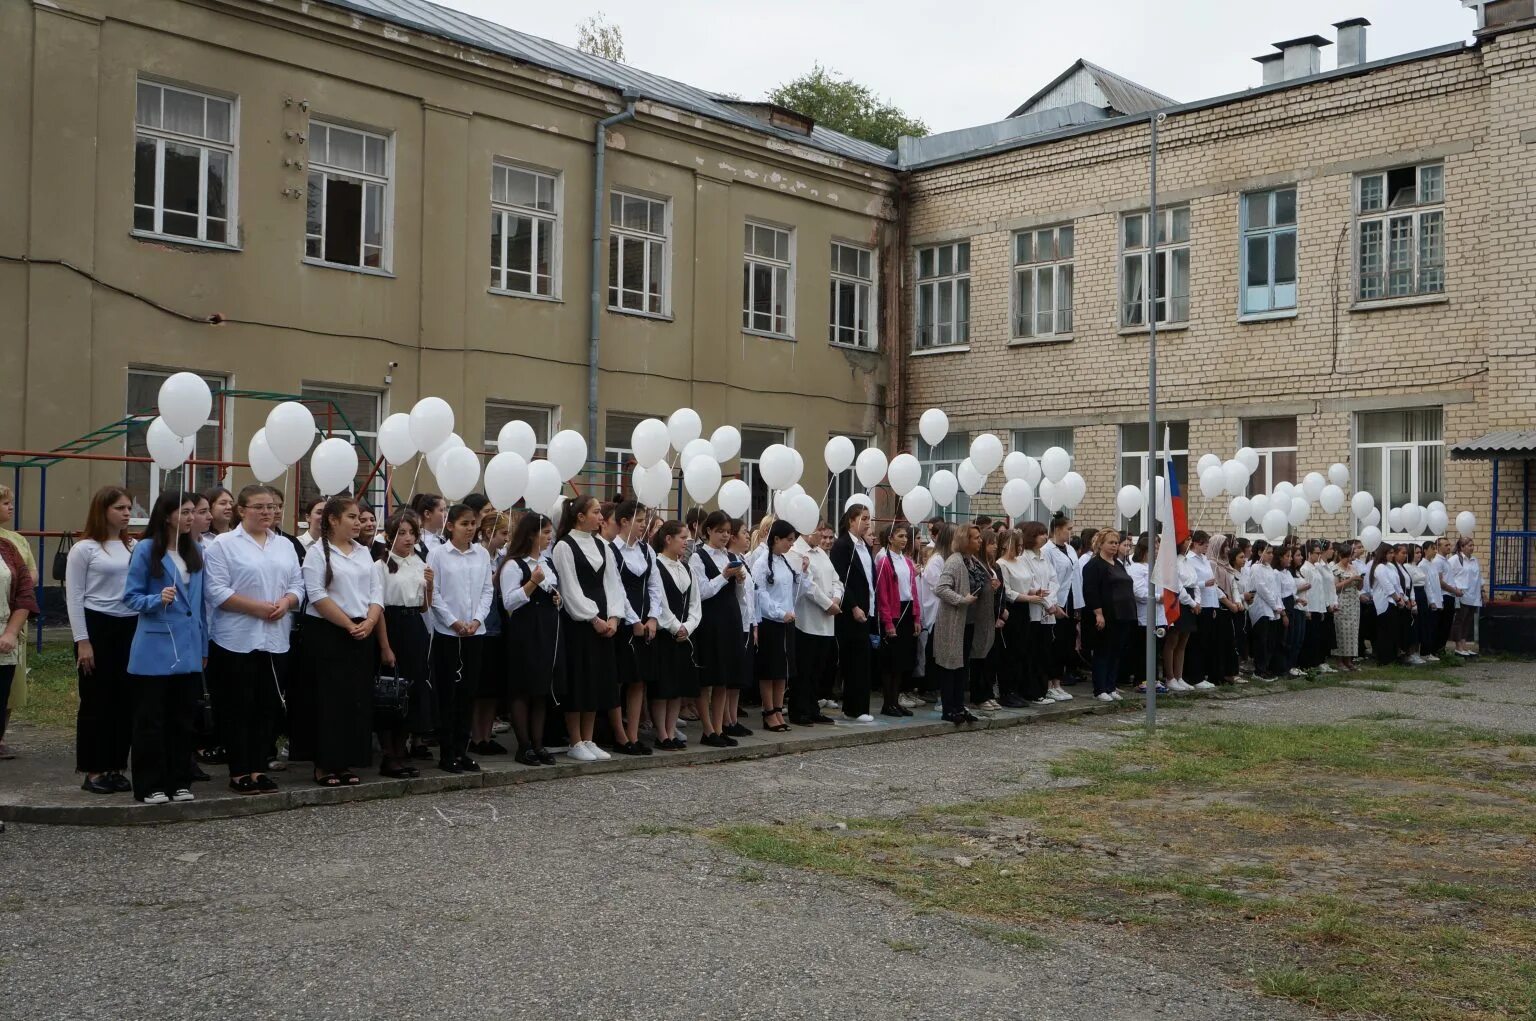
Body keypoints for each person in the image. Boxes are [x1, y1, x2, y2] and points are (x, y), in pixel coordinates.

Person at [203, 485, 302, 795]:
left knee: (267, 707)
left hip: (275, 638)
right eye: (259, 507)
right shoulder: (223, 545)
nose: (266, 512)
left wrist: (286, 602)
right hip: (236, 639)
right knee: (237, 707)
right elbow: (216, 591)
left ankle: (259, 768)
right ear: (242, 511)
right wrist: (257, 608)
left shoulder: (284, 545)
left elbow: (299, 584)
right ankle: (239, 771)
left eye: (271, 507)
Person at [122, 491, 207, 805]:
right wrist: (157, 600)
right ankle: (149, 784)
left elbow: (200, 606)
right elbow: (130, 596)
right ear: (167, 514)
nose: (189, 518)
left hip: (188, 647)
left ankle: (179, 780)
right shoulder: (146, 549)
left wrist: (203, 647)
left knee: (183, 718)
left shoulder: (196, 550)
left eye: (192, 512)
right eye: (184, 512)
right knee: (151, 720)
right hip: (155, 647)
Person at [302, 497, 383, 787]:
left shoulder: (364, 553)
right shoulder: (316, 553)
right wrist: (349, 624)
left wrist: (370, 622)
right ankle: (325, 763)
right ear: (334, 520)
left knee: (355, 701)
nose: (359, 523)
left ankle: (347, 760)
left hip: (361, 632)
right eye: (352, 517)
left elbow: (376, 593)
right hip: (330, 633)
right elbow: (317, 594)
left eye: (359, 518)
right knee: (329, 701)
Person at [67, 486, 138, 794]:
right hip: (97, 627)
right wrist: (83, 640)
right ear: (103, 511)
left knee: (125, 700)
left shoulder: (133, 546)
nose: (126, 514)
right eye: (120, 508)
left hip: (130, 625)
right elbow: (74, 597)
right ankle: (93, 769)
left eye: (128, 508)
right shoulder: (85, 549)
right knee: (97, 700)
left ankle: (116, 765)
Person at [551, 496, 626, 761]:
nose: (600, 517)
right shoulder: (564, 546)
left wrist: (615, 617)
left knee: (597, 680)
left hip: (605, 622)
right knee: (579, 680)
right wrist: (593, 619)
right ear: (580, 516)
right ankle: (575, 740)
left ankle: (589, 737)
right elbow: (569, 589)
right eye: (596, 512)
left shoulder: (602, 546)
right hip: (580, 624)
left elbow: (613, 583)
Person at [427, 503, 494, 773]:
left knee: (468, 693)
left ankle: (462, 749)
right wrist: (454, 622)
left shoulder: (481, 555)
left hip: (475, 632)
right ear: (451, 526)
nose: (469, 528)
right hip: (448, 632)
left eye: (472, 524)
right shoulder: (438, 555)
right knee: (448, 693)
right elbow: (435, 593)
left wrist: (477, 620)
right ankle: (446, 752)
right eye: (464, 524)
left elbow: (487, 590)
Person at [500, 511, 561, 766]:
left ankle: (539, 743)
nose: (549, 537)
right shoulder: (514, 564)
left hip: (546, 629)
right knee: (523, 688)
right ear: (532, 535)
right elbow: (509, 600)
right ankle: (523, 744)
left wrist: (557, 598)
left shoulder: (547, 562)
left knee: (540, 690)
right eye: (545, 532)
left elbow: (554, 591)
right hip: (525, 631)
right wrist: (532, 584)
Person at [374, 511, 432, 779]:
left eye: (413, 533)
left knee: (412, 690)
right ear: (390, 536)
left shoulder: (419, 562)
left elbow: (423, 606)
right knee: (391, 690)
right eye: (403, 533)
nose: (408, 539)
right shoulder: (381, 565)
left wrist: (429, 588)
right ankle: (388, 754)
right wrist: (385, 646)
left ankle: (401, 750)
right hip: (392, 624)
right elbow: (379, 608)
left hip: (414, 627)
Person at [691, 511, 749, 746]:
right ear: (708, 531)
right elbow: (702, 592)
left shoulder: (729, 556)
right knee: (708, 678)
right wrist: (724, 576)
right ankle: (707, 729)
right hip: (710, 621)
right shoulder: (698, 557)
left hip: (730, 618)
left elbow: (740, 595)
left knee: (724, 678)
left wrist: (740, 582)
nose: (725, 536)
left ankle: (719, 726)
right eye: (720, 531)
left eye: (728, 532)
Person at [610, 501, 662, 756]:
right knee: (621, 678)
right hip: (624, 621)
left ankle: (634, 734)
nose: (644, 525)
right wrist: (633, 620)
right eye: (640, 520)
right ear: (624, 522)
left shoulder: (647, 551)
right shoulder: (611, 550)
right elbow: (617, 588)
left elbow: (655, 586)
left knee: (639, 680)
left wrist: (652, 617)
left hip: (645, 621)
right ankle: (619, 734)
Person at [650, 521, 700, 750]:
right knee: (663, 688)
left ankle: (671, 731)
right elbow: (659, 601)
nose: (686, 542)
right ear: (668, 539)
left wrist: (688, 627)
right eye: (682, 537)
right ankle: (661, 733)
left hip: (684, 636)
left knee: (677, 688)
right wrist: (674, 626)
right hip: (665, 635)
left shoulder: (686, 568)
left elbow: (695, 604)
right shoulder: (657, 566)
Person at [751, 519, 804, 733]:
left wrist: (803, 572)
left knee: (783, 670)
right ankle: (768, 712)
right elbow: (759, 594)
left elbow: (795, 588)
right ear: (776, 539)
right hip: (771, 623)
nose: (791, 544)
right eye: (788, 540)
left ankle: (778, 710)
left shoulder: (785, 561)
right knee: (769, 670)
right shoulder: (762, 562)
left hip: (786, 621)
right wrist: (778, 613)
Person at [0, 483, 39, 759]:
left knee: (6, 688)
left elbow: (27, 584)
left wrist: (12, 630)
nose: (11, 506)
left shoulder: (11, 543)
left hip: (8, 627)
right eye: (5, 502)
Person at [789, 521, 840, 726]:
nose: (823, 537)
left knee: (818, 668)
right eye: (820, 531)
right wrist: (827, 604)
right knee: (804, 669)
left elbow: (836, 579)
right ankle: (799, 709)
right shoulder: (796, 552)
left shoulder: (821, 553)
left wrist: (836, 598)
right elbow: (807, 585)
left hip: (827, 620)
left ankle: (813, 707)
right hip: (807, 619)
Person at [469, 508, 511, 757]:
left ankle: (486, 733)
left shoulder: (501, 556)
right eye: (503, 533)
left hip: (498, 625)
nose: (507, 538)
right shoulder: (480, 555)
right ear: (488, 532)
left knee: (493, 686)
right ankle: (476, 735)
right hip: (482, 625)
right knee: (480, 685)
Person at [829, 504, 876, 723]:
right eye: (863, 518)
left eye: (869, 518)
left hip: (867, 607)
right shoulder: (842, 545)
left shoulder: (864, 546)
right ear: (851, 520)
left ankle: (861, 706)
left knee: (864, 660)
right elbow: (841, 579)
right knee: (854, 659)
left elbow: (868, 577)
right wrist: (853, 605)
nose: (867, 522)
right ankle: (853, 708)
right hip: (851, 610)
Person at [999, 524, 1055, 706]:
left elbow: (1026, 582)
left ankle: (1019, 689)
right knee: (1011, 653)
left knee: (1023, 651)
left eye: (1022, 545)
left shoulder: (1021, 561)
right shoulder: (1002, 564)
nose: (1021, 549)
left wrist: (1036, 591)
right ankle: (1007, 691)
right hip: (1013, 608)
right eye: (1018, 545)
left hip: (1025, 610)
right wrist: (1030, 597)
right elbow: (1007, 591)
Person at [932, 523, 981, 724]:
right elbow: (941, 589)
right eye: (976, 538)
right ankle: (949, 708)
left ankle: (959, 706)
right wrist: (962, 599)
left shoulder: (971, 560)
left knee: (962, 667)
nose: (980, 541)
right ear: (965, 540)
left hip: (968, 622)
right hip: (953, 622)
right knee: (950, 666)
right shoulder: (954, 561)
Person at [873, 521, 921, 717]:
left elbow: (913, 590)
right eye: (900, 536)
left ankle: (896, 700)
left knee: (901, 660)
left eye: (906, 536)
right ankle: (888, 702)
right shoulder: (884, 561)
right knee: (890, 661)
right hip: (894, 612)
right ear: (890, 538)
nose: (904, 540)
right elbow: (883, 594)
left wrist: (917, 616)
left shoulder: (907, 561)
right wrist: (888, 621)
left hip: (907, 609)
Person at [1080, 529, 1134, 703]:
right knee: (1103, 651)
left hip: (1122, 615)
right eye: (1111, 542)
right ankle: (1100, 688)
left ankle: (1111, 686)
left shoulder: (1117, 564)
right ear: (1100, 544)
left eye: (1116, 543)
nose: (1115, 546)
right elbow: (1091, 591)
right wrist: (1098, 613)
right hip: (1105, 615)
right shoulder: (1094, 565)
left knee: (1116, 652)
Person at [1126, 533, 1167, 695]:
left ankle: (1154, 678)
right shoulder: (1136, 568)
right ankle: (1142, 679)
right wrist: (1158, 597)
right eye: (1154, 548)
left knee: (1156, 649)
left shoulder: (1155, 567)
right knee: (1144, 650)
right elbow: (1138, 591)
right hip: (1145, 616)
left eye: (1158, 548)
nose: (1157, 551)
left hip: (1159, 615)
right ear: (1144, 550)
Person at [1042, 515, 1078, 693]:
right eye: (1068, 529)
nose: (1070, 533)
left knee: (1066, 643)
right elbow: (1049, 577)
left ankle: (1058, 681)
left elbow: (1075, 576)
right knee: (1055, 643)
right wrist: (1053, 604)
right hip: (1056, 600)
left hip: (1070, 599)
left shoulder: (1070, 549)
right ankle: (1049, 682)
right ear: (1057, 530)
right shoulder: (1047, 550)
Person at [1185, 531, 1221, 690]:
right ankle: (1194, 676)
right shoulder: (1190, 560)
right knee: (1197, 643)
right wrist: (1203, 583)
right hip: (1200, 603)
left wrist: (1215, 605)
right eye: (1204, 543)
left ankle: (1202, 673)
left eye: (1207, 543)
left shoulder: (1205, 559)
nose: (1206, 546)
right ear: (1196, 543)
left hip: (1209, 603)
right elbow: (1190, 582)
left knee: (1206, 642)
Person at [1246, 540, 1283, 681]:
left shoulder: (1268, 568)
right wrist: (1274, 605)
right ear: (1260, 552)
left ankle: (1265, 668)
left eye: (1272, 553)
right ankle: (1259, 670)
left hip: (1272, 608)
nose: (1271, 555)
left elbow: (1274, 589)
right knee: (1261, 641)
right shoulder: (1256, 568)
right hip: (1261, 608)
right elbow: (1262, 589)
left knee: (1269, 641)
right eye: (1268, 553)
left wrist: (1278, 606)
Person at [1367, 544, 1408, 666]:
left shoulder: (1391, 566)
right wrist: (1397, 598)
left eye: (1392, 553)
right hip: (1385, 602)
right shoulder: (1379, 567)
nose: (1392, 555)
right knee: (1385, 632)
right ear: (1383, 554)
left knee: (1393, 631)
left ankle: (1393, 656)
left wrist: (1403, 597)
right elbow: (1387, 585)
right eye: (1389, 553)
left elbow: (1397, 584)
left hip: (1395, 601)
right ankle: (1384, 659)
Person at [1444, 538, 1481, 656]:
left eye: (1473, 545)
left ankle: (1464, 645)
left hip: (1473, 595)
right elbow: (1447, 576)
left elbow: (1478, 576)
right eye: (1469, 545)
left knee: (1468, 621)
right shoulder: (1455, 560)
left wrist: (1482, 590)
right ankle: (1458, 646)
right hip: (1461, 595)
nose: (1472, 547)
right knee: (1460, 620)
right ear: (1462, 547)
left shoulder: (1474, 560)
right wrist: (1455, 589)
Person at [1330, 542, 1362, 671]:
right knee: (1341, 631)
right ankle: (1339, 660)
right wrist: (1350, 580)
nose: (1349, 559)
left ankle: (1349, 659)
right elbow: (1335, 587)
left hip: (1354, 602)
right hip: (1342, 602)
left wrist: (1360, 580)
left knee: (1353, 631)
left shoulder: (1353, 568)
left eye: (1350, 556)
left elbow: (1359, 587)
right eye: (1347, 556)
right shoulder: (1335, 569)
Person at [1408, 543, 1436, 665]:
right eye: (1417, 552)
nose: (1419, 555)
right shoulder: (1407, 567)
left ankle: (1418, 652)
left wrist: (1431, 601)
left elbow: (1427, 584)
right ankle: (1411, 653)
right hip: (1415, 595)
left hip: (1422, 596)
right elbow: (1409, 585)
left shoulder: (1418, 567)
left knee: (1422, 625)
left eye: (1420, 552)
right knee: (1415, 625)